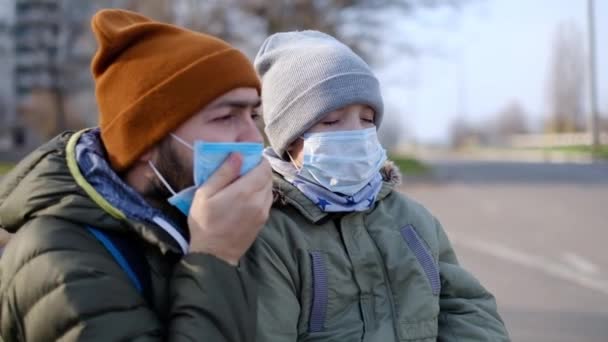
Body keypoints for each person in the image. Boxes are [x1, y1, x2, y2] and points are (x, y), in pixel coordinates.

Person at [0, 9, 272, 341]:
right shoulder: (60, 259)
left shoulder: (194, 221)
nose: (254, 137)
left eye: (253, 114)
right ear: (145, 142)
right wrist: (215, 258)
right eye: (226, 117)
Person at [244, 30, 510, 341]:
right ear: (288, 140)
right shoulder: (267, 232)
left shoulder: (413, 220)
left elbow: (467, 309)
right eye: (331, 121)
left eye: (368, 119)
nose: (356, 133)